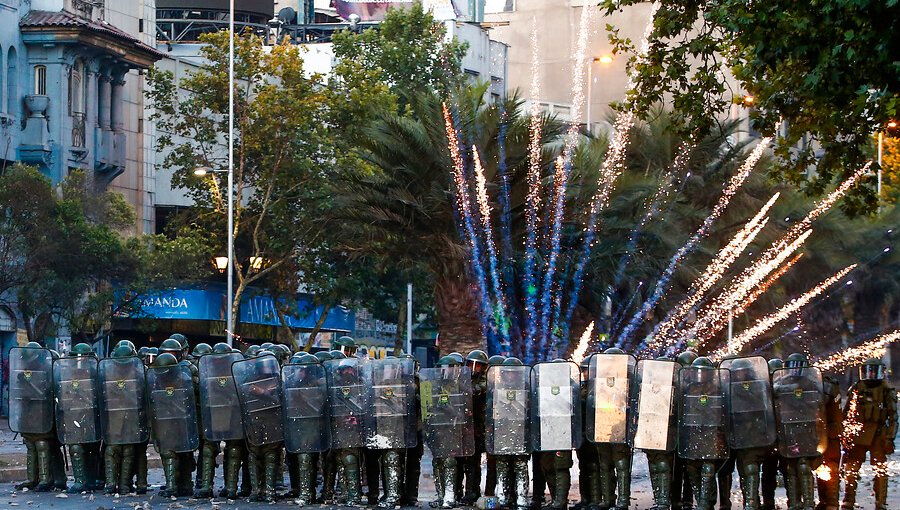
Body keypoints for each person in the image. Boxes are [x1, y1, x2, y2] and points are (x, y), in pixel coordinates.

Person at [720, 356, 777, 510]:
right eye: (738, 373)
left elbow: (765, 411)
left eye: (743, 372)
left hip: (753, 436)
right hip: (734, 435)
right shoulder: (726, 387)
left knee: (750, 470)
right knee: (733, 470)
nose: (741, 375)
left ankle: (752, 502)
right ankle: (734, 502)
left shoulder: (759, 386)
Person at [840, 358, 897, 510]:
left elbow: (893, 417)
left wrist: (890, 438)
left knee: (880, 469)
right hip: (858, 433)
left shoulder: (886, 390)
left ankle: (880, 501)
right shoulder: (857, 388)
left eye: (873, 371)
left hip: (878, 434)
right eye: (868, 371)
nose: (870, 374)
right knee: (851, 468)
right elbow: (846, 414)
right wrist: (845, 435)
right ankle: (848, 499)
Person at [11, 343, 66, 492]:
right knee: (31, 445)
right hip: (29, 417)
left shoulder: (48, 372)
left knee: (44, 445)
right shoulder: (24, 372)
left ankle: (47, 479)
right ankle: (33, 478)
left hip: (45, 416)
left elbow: (51, 393)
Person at [772, 353, 822, 510]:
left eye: (798, 366)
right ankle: (793, 502)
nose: (795, 370)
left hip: (806, 430)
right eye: (792, 366)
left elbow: (818, 401)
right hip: (788, 430)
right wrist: (787, 389)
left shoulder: (811, 383)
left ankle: (808, 502)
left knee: (804, 466)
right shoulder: (782, 382)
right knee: (790, 468)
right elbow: (773, 393)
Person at [678, 357, 729, 510]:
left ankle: (705, 503)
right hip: (693, 434)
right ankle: (700, 499)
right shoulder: (688, 388)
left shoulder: (717, 388)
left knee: (708, 469)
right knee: (692, 469)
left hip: (711, 434)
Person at [147, 352, 200, 498]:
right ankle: (177, 485)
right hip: (168, 421)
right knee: (173, 452)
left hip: (181, 420)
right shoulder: (158, 380)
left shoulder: (185, 378)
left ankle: (180, 485)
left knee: (178, 452)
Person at [54, 342, 103, 493]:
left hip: (92, 417)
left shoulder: (97, 373)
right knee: (76, 448)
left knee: (92, 449)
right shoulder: (66, 374)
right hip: (72, 416)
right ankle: (80, 481)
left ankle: (92, 479)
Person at [100, 343, 148, 495]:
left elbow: (143, 397)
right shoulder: (107, 373)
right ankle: (111, 483)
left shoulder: (140, 373)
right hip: (114, 418)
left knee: (128, 451)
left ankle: (125, 484)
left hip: (132, 418)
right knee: (111, 450)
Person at [589, 348, 634, 510]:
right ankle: (608, 499)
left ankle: (622, 500)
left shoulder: (629, 381)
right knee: (605, 464)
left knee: (621, 464)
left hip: (620, 428)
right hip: (602, 426)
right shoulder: (599, 381)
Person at [489, 357, 531, 510]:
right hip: (502, 432)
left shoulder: (526, 387)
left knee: (520, 465)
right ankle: (503, 496)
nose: (511, 376)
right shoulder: (496, 388)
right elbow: (490, 412)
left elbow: (531, 412)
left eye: (514, 373)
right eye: (509, 373)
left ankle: (521, 496)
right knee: (502, 465)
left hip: (520, 433)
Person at [461, 349, 489, 505]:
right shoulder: (463, 379)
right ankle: (466, 491)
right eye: (471, 364)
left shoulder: (486, 380)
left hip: (479, 427)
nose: (473, 368)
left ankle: (473, 491)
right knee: (466, 463)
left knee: (474, 462)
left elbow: (478, 390)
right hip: (465, 426)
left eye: (477, 365)